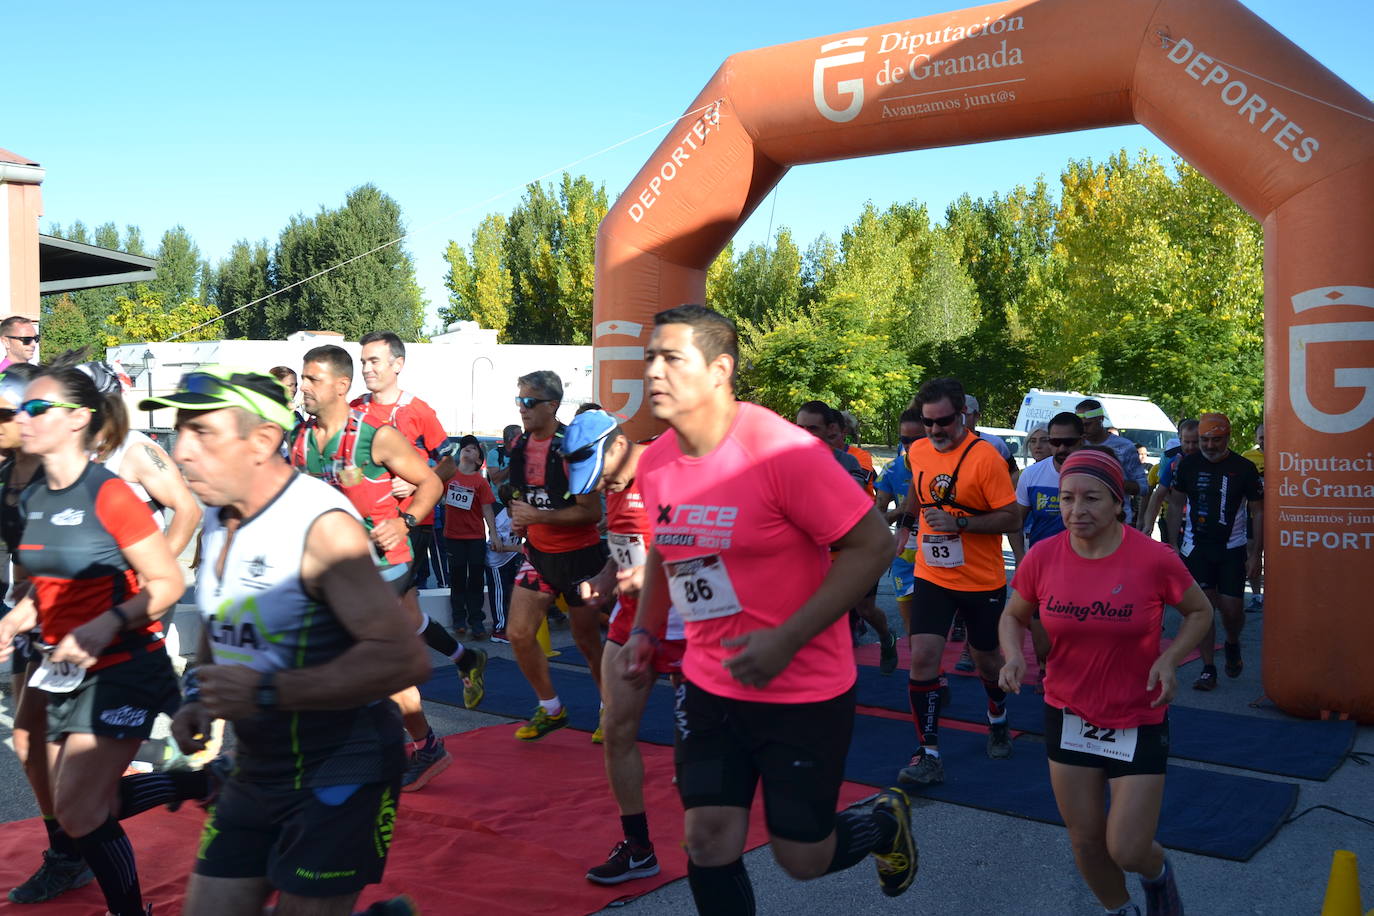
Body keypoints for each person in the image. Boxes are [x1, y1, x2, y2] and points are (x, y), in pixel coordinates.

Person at [624, 304, 917, 910]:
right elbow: (666, 548)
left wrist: (786, 637)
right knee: (706, 839)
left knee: (802, 857)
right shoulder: (655, 462)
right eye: (649, 356)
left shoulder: (781, 451)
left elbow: (868, 547)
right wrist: (645, 631)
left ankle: (884, 824)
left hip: (803, 690)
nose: (652, 370)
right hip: (708, 682)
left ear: (719, 370)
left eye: (671, 358)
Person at [143, 367, 429, 916]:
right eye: (180, 431)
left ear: (263, 441)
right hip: (255, 765)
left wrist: (266, 691)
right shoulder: (215, 513)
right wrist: (198, 694)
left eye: (202, 433)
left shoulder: (319, 525)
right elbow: (221, 618)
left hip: (341, 766)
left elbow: (402, 657)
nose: (181, 451)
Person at [0, 362, 186, 916]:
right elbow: (44, 586)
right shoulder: (35, 498)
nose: (22, 418)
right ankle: (205, 782)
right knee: (80, 803)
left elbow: (168, 580)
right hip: (63, 664)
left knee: (80, 811)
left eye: (37, 408)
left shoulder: (108, 492)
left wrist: (106, 621)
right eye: (20, 409)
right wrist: (14, 620)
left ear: (78, 419)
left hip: (124, 663)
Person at [999, 448, 1212, 916]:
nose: (1078, 510)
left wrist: (1171, 658)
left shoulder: (1153, 558)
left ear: (1118, 502)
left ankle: (1157, 875)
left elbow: (1200, 611)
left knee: (1129, 848)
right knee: (1087, 842)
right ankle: (1123, 910)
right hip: (1068, 711)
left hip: (1137, 714)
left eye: (1092, 498)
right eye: (1068, 498)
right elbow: (1014, 615)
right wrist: (1014, 656)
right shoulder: (1042, 557)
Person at [292, 345, 486, 791]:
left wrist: (405, 519)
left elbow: (436, 477)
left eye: (311, 379)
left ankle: (400, 745)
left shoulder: (378, 432)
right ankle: (460, 666)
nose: (302, 387)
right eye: (302, 379)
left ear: (339, 387)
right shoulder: (300, 441)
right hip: (335, 564)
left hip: (386, 558)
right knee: (401, 634)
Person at [555, 409, 688, 885]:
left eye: (603, 475)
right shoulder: (613, 488)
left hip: (689, 622)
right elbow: (624, 552)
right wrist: (602, 582)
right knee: (614, 728)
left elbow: (706, 548)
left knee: (698, 747)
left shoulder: (669, 470)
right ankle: (638, 848)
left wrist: (650, 576)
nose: (602, 487)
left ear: (617, 447)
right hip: (632, 621)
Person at [895, 377, 1021, 785]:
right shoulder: (917, 450)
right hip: (932, 573)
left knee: (986, 660)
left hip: (981, 580)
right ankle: (927, 753)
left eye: (943, 422)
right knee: (922, 657)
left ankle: (997, 714)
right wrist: (907, 527)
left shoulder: (987, 458)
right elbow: (917, 494)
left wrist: (959, 522)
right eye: (927, 422)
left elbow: (1012, 518)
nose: (935, 431)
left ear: (962, 415)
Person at [504, 370, 610, 739]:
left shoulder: (572, 446)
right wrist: (520, 519)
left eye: (529, 402)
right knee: (517, 633)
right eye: (519, 400)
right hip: (539, 556)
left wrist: (538, 516)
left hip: (581, 559)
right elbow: (522, 496)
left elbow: (591, 512)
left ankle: (609, 710)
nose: (522, 409)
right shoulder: (518, 445)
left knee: (587, 641)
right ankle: (551, 709)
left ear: (552, 405)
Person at [795, 401, 896, 671]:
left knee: (863, 610)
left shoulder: (853, 459)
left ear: (834, 431)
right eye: (799, 427)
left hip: (856, 551)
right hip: (816, 554)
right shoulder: (788, 460)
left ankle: (886, 637)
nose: (804, 434)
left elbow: (845, 501)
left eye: (811, 428)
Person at [1165, 413, 1263, 691]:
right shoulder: (1188, 465)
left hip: (1232, 548)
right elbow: (1175, 505)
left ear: (1228, 438)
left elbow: (1258, 510)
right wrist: (1173, 543)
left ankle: (1232, 642)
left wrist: (1256, 553)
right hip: (1196, 548)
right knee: (1203, 610)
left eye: (1215, 440)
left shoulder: (1244, 467)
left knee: (1231, 610)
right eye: (1204, 440)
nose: (1208, 445)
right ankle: (1208, 669)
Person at [353, 331, 453, 590]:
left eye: (374, 361)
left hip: (410, 522)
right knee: (392, 604)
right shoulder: (354, 409)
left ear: (397, 365)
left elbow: (449, 463)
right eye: (363, 362)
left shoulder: (418, 410)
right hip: (364, 523)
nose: (366, 369)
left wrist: (417, 484)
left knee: (388, 600)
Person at [1011, 411, 1085, 687]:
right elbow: (1014, 522)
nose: (1061, 449)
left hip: (1088, 565)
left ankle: (1071, 670)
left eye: (1069, 442)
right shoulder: (1031, 475)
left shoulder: (1097, 471)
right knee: (1038, 620)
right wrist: (1021, 558)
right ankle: (1047, 664)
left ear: (1082, 440)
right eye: (1055, 442)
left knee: (1080, 624)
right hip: (1043, 564)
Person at [443, 435, 499, 639]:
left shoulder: (480, 482)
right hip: (452, 537)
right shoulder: (449, 476)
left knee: (475, 579)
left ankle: (476, 621)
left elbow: (487, 510)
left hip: (475, 537)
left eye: (473, 448)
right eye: (465, 447)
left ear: (479, 459)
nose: (468, 449)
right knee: (457, 578)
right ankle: (459, 620)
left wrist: (494, 534)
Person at [875, 408, 923, 644]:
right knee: (912, 626)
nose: (911, 445)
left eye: (918, 439)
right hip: (905, 556)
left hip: (938, 556)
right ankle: (923, 677)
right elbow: (876, 518)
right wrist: (901, 510)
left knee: (933, 624)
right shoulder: (892, 470)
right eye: (906, 440)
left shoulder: (945, 467)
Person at [1076, 398, 1148, 525]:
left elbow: (1143, 487)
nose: (1083, 429)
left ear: (1101, 419)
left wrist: (1110, 482)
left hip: (1118, 520)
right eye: (1080, 425)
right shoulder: (1076, 445)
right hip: (1083, 519)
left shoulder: (1125, 447)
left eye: (1088, 424)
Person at [1141, 421, 1200, 544]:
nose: (1190, 447)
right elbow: (1158, 495)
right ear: (1180, 439)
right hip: (1177, 521)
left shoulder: (1210, 460)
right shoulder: (1174, 462)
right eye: (1186, 442)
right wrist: (1148, 524)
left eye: (1195, 442)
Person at [484, 484, 522, 643]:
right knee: (499, 594)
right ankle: (499, 629)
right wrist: (514, 548)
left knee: (513, 592)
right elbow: (493, 544)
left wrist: (514, 549)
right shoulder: (498, 517)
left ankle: (512, 624)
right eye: (519, 500)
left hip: (512, 556)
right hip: (496, 563)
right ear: (511, 503)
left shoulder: (522, 516)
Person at [1241, 423, 1265, 612]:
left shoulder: (1287, 452)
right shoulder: (1248, 457)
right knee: (1253, 554)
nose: (1265, 441)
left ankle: (1276, 593)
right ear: (1256, 438)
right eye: (1261, 437)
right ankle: (1256, 596)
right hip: (1253, 515)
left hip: (1283, 516)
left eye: (1268, 436)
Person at [966, 394, 1018, 477]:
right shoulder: (944, 444)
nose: (960, 419)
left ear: (977, 416)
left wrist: (1007, 489)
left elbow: (1013, 471)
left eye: (965, 415)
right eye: (956, 415)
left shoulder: (995, 443)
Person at [486, 423, 521, 489]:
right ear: (510, 439)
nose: (522, 438)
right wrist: (514, 462)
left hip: (519, 497)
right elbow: (496, 480)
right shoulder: (495, 454)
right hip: (498, 498)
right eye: (519, 437)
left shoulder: (525, 453)